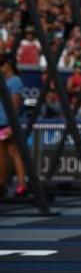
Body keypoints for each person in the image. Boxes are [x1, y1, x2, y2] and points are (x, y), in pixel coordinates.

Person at [0, 57, 27, 198]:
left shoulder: (15, 81)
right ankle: (12, 184)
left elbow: (15, 104)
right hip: (2, 121)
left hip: (6, 122)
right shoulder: (4, 80)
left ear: (9, 65)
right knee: (8, 152)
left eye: (2, 64)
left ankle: (14, 184)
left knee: (10, 152)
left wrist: (11, 124)